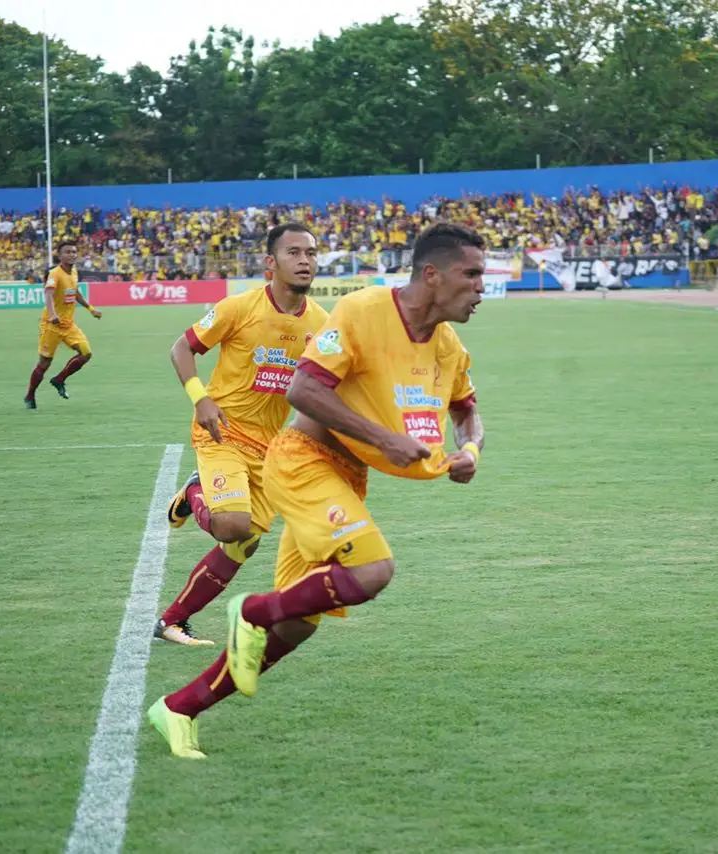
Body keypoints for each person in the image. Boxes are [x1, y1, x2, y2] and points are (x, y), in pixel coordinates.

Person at [147, 222, 486, 759]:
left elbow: (467, 409)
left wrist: (471, 451)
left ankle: (179, 708)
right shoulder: (362, 312)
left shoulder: (446, 344)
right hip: (301, 461)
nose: (482, 287)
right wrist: (382, 438)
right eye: (472, 274)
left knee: (298, 626)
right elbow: (304, 389)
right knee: (372, 570)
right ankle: (250, 610)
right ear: (432, 274)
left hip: (344, 476)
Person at [155, 223, 329, 646]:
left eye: (311, 252)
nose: (305, 259)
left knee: (243, 544)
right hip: (222, 431)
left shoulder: (323, 323)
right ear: (270, 263)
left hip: (270, 447)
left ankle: (171, 621)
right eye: (294, 252)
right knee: (231, 525)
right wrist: (200, 398)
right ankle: (196, 491)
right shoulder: (239, 308)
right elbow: (182, 347)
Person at [24, 241, 101, 410]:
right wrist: (52, 314)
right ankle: (30, 395)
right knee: (44, 363)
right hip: (51, 325)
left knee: (86, 353)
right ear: (60, 255)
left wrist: (91, 308)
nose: (72, 254)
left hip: (68, 325)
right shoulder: (55, 274)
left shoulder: (73, 272)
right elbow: (49, 293)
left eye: (74, 251)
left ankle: (59, 379)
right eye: (68, 252)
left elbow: (75, 292)